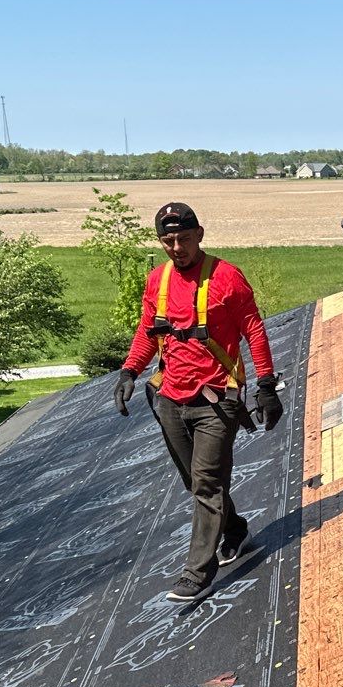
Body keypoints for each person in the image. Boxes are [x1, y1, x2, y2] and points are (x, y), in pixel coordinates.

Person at [114, 202, 283, 601]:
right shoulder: (158, 280)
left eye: (184, 239)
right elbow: (148, 331)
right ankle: (235, 530)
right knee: (195, 481)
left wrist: (266, 386)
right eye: (168, 241)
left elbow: (254, 331)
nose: (177, 248)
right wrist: (129, 371)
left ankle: (196, 573)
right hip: (170, 399)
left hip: (216, 400)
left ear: (200, 235)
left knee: (207, 482)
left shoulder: (227, 278)